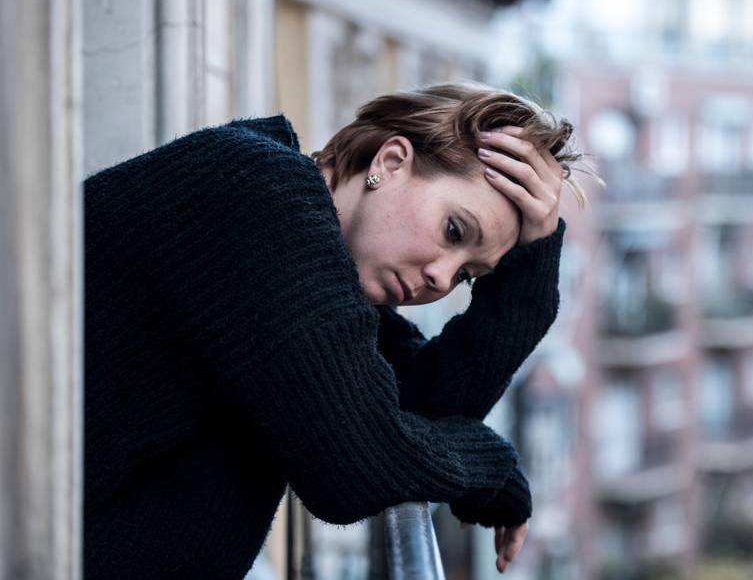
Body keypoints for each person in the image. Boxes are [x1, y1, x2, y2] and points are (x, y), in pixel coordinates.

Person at [83, 82, 585, 580]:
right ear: (390, 162)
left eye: (466, 276)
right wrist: (491, 464)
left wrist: (526, 274)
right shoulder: (260, 195)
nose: (440, 278)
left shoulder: (317, 267)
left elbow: (429, 406)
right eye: (453, 231)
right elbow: (359, 465)